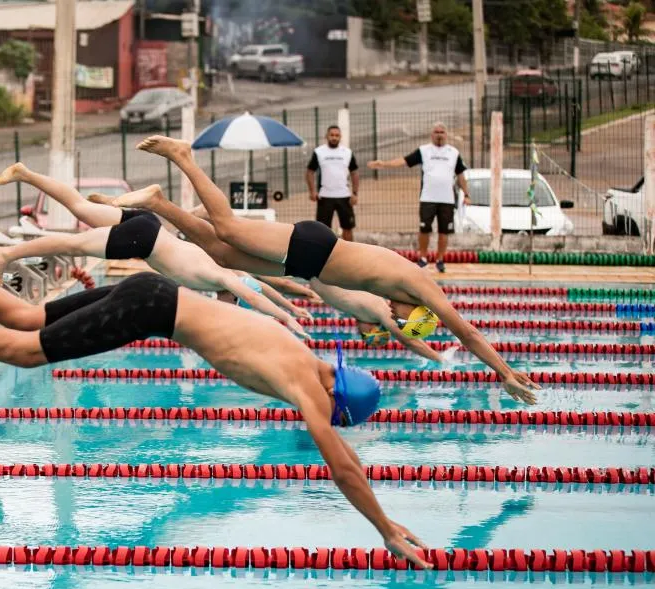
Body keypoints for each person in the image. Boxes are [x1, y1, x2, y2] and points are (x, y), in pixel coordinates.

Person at [0, 255, 432, 569]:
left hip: (154, 294)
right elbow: (346, 468)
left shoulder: (307, 358)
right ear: (339, 406)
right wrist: (383, 527)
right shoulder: (310, 389)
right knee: (25, 353)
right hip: (153, 308)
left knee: (28, 320)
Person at [131, 135, 540, 403]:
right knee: (227, 227)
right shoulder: (418, 285)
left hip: (309, 264)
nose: (392, 318)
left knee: (222, 254)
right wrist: (504, 371)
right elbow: (465, 330)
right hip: (316, 245)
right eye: (401, 319)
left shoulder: (404, 295)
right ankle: (183, 156)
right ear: (412, 314)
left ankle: (158, 204)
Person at [90, 185, 453, 364]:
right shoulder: (378, 312)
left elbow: (279, 285)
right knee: (227, 235)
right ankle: (188, 206)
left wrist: (297, 302)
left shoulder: (372, 305)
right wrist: (439, 359)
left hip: (306, 271)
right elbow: (410, 340)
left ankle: (166, 207)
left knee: (226, 250)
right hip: (311, 256)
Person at [0, 163, 309, 337]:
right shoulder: (223, 278)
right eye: (233, 304)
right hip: (144, 239)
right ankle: (7, 255)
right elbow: (255, 294)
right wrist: (287, 320)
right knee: (73, 243)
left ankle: (25, 173)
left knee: (79, 207)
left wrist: (293, 309)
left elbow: (263, 286)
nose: (227, 305)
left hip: (149, 226)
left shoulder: (228, 273)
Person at [368, 122, 471, 272]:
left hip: (447, 199)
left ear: (446, 134)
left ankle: (440, 260)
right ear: (432, 134)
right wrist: (384, 164)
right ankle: (423, 258)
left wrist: (466, 194)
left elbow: (461, 175)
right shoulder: (424, 151)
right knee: (424, 229)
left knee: (444, 231)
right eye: (436, 132)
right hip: (427, 197)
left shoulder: (453, 153)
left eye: (442, 132)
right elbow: (404, 161)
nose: (439, 134)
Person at [306, 125, 359, 242]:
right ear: (327, 136)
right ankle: (323, 255)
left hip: (344, 197)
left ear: (340, 137)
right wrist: (312, 191)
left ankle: (349, 255)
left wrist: (355, 193)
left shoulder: (347, 152)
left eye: (337, 135)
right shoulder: (319, 152)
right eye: (332, 135)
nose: (334, 138)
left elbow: (354, 172)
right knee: (322, 230)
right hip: (325, 197)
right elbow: (310, 172)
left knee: (348, 228)